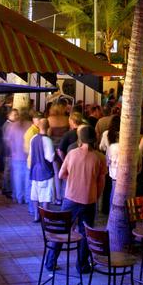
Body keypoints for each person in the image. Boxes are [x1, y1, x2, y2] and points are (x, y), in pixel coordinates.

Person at [45, 125, 106, 275]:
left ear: (81, 139)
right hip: (89, 200)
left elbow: (60, 175)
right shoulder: (100, 157)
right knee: (85, 234)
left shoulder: (72, 154)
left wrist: (72, 178)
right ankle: (82, 266)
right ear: (94, 139)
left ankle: (50, 262)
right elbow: (101, 183)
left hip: (70, 198)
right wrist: (95, 196)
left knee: (61, 229)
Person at [29, 118, 55, 222]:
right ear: (48, 126)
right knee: (45, 195)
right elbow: (50, 157)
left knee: (35, 194)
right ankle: (45, 216)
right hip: (45, 171)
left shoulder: (33, 138)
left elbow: (31, 154)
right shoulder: (47, 140)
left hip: (35, 170)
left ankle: (36, 215)